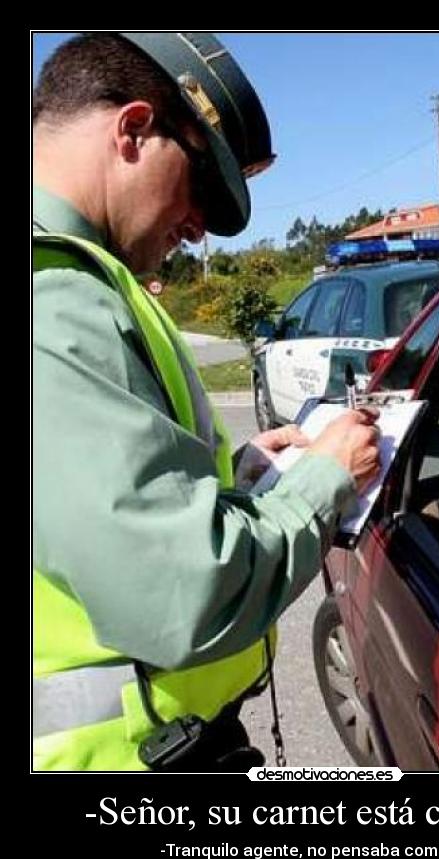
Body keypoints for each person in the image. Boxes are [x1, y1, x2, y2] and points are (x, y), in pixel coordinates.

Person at [33, 32, 381, 772]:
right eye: (201, 187)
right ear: (132, 130)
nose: (196, 228)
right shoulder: (53, 298)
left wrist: (236, 478)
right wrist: (327, 479)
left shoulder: (82, 284)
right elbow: (188, 594)